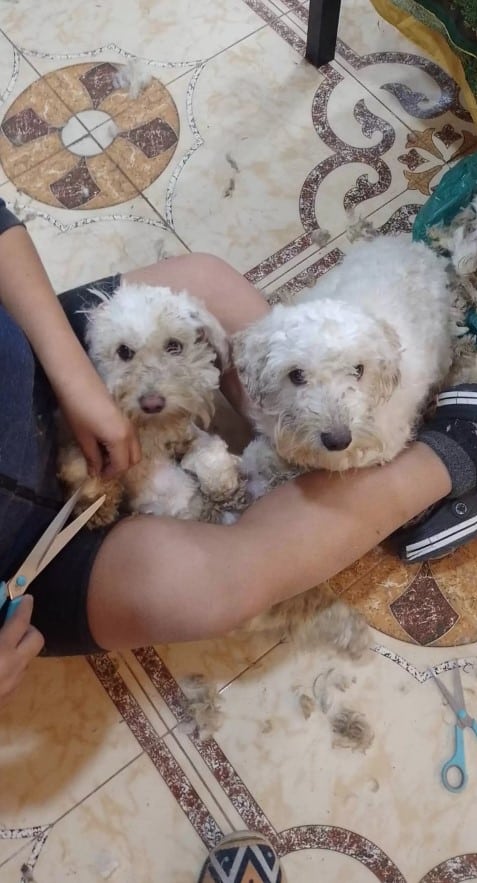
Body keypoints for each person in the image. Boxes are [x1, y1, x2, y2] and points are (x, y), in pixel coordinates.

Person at [2, 200, 477, 883]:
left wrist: (76, 375)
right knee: (202, 587)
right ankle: (449, 453)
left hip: (35, 359)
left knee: (207, 280)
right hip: (18, 554)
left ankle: (301, 432)